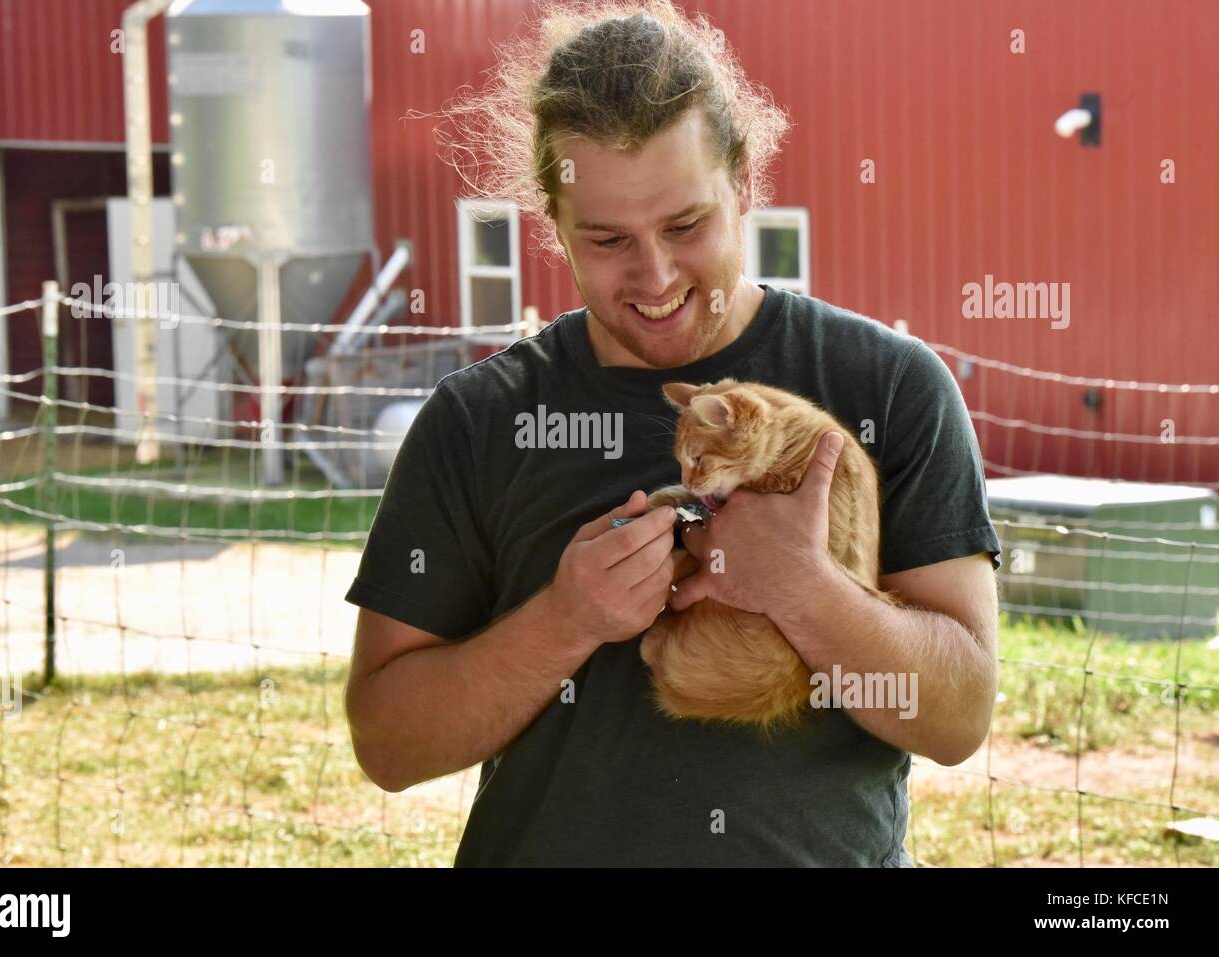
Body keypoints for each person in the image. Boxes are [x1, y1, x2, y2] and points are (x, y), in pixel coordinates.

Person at [344, 0, 1001, 866]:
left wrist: (804, 588)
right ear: (553, 224)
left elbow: (958, 718)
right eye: (608, 238)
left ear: (745, 185)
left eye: (685, 226)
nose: (653, 276)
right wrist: (567, 619)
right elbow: (388, 746)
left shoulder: (888, 386)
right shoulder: (478, 420)